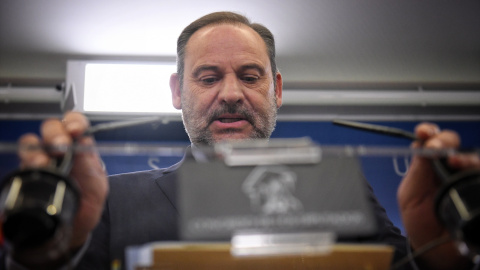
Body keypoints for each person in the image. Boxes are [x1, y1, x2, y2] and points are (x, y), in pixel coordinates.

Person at [2, 11, 479, 270]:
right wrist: (49, 251)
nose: (231, 94)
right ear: (177, 92)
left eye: (249, 76)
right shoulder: (113, 202)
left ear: (275, 90)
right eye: (208, 77)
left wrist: (438, 256)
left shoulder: (341, 193)